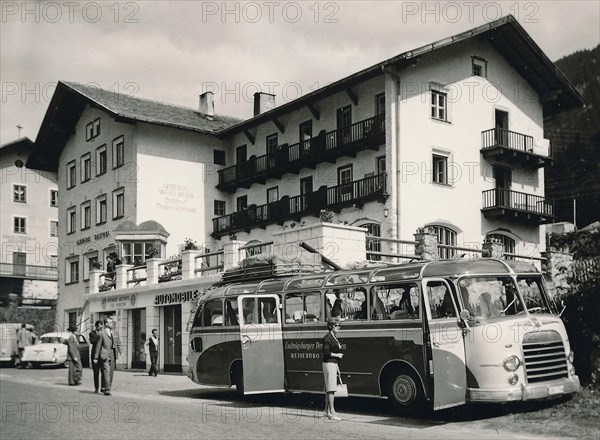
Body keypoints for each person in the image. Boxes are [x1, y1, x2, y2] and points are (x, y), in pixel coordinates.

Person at [322, 318, 344, 421]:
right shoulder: (327, 338)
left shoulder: (334, 337)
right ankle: (332, 412)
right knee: (331, 389)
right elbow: (325, 352)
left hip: (333, 364)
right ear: (331, 326)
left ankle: (326, 411)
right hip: (329, 363)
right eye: (336, 325)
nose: (338, 327)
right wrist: (338, 355)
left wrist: (337, 366)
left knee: (329, 389)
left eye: (339, 325)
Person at [93, 317, 120, 396]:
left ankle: (105, 387)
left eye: (112, 322)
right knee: (106, 372)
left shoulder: (114, 332)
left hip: (112, 354)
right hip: (104, 354)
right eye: (110, 322)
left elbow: (118, 343)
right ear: (106, 324)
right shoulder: (102, 333)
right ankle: (107, 390)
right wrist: (96, 357)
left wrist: (120, 352)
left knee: (111, 373)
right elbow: (98, 346)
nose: (112, 323)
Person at [89, 320, 104, 393]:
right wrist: (99, 336)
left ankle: (103, 387)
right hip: (95, 355)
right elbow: (92, 341)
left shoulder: (103, 333)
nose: (100, 328)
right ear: (96, 326)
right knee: (96, 372)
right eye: (99, 327)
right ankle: (96, 388)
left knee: (104, 372)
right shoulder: (92, 333)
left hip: (102, 355)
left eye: (101, 327)